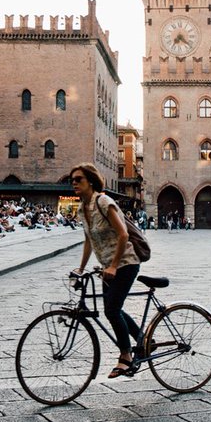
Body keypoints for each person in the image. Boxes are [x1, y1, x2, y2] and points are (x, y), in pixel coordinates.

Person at [72, 162, 142, 379]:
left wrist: (112, 265)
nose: (74, 183)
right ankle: (145, 340)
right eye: (72, 180)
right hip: (109, 267)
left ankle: (126, 357)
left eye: (78, 180)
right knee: (113, 309)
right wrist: (81, 269)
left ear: (91, 181)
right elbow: (88, 240)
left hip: (126, 263)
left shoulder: (104, 201)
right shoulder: (82, 209)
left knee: (112, 310)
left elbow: (123, 235)